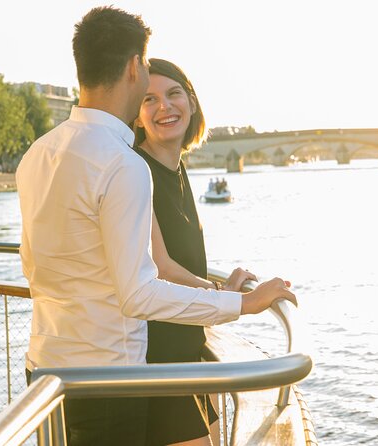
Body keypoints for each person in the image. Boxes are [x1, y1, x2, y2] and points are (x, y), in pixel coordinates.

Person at [15, 6, 296, 446]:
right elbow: (139, 292)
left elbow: (31, 263)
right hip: (108, 378)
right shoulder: (122, 164)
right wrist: (242, 305)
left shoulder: (39, 153)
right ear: (134, 68)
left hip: (45, 369)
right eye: (146, 67)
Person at [133, 58, 257, 446]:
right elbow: (161, 267)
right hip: (161, 361)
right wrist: (227, 298)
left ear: (192, 101)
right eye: (149, 99)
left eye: (174, 94)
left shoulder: (177, 168)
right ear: (136, 117)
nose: (165, 107)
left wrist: (218, 284)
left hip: (190, 352)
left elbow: (180, 262)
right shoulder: (137, 170)